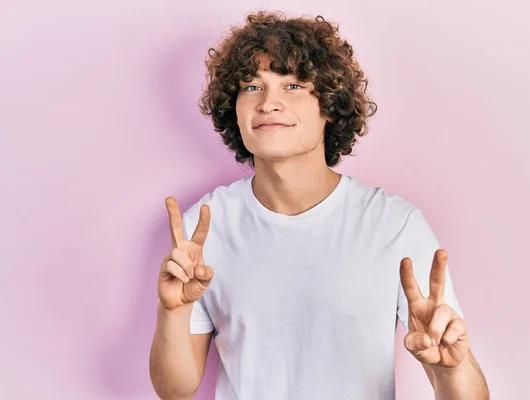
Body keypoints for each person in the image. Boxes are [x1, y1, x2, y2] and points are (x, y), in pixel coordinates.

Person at [149, 11, 489, 400]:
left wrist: (451, 367)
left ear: (329, 106)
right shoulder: (204, 227)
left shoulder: (394, 224)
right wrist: (173, 312)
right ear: (235, 110)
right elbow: (175, 390)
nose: (269, 103)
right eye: (251, 86)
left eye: (293, 85)